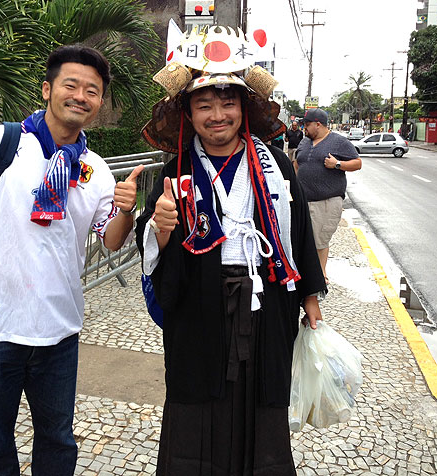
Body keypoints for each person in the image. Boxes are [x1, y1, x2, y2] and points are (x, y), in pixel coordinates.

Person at [0, 44, 142, 476]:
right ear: (47, 89)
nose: (81, 96)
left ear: (99, 102)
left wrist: (127, 208)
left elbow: (110, 241)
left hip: (58, 331)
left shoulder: (96, 170)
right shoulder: (1, 144)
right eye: (71, 85)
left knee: (58, 441)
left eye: (92, 90)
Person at [136, 26, 326, 475]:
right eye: (204, 105)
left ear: (244, 109)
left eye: (227, 103)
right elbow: (155, 240)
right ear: (189, 113)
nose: (217, 115)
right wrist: (160, 229)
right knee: (195, 403)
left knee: (263, 399)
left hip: (267, 299)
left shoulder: (275, 165)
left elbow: (298, 232)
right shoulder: (176, 170)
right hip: (198, 302)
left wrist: (312, 300)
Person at [295, 108, 362, 283]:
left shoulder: (338, 142)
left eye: (307, 124)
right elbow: (297, 164)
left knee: (319, 239)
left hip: (326, 201)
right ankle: (308, 273)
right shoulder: (304, 142)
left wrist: (337, 164)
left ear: (318, 124)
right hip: (303, 200)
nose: (304, 128)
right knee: (304, 238)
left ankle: (319, 276)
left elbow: (357, 163)